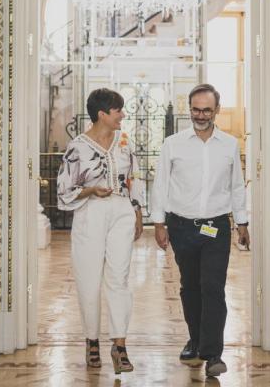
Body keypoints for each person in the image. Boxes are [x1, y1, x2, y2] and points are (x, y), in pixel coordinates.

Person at [152, 83, 249, 378]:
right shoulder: (173, 144)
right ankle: (195, 341)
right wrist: (158, 223)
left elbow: (235, 187)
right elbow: (161, 184)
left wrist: (242, 223)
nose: (201, 115)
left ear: (216, 110)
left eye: (207, 109)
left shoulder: (229, 145)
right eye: (196, 109)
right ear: (189, 109)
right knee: (190, 287)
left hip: (216, 227)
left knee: (213, 288)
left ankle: (213, 354)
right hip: (181, 226)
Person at [56, 88, 145, 373]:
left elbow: (133, 177)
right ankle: (91, 341)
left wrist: (138, 212)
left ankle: (119, 346)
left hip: (121, 211)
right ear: (102, 114)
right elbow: (63, 191)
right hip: (90, 213)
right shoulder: (77, 147)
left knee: (119, 279)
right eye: (118, 110)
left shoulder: (124, 141)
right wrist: (91, 189)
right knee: (89, 280)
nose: (123, 115)